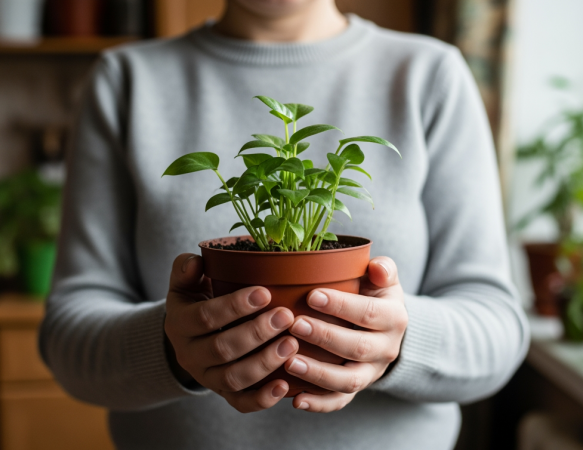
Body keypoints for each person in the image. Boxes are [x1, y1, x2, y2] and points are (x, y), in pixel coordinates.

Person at [39, 0, 529, 448]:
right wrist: (172, 346)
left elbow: (498, 329)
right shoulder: (126, 79)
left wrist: (398, 341)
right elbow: (68, 339)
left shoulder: (429, 74)